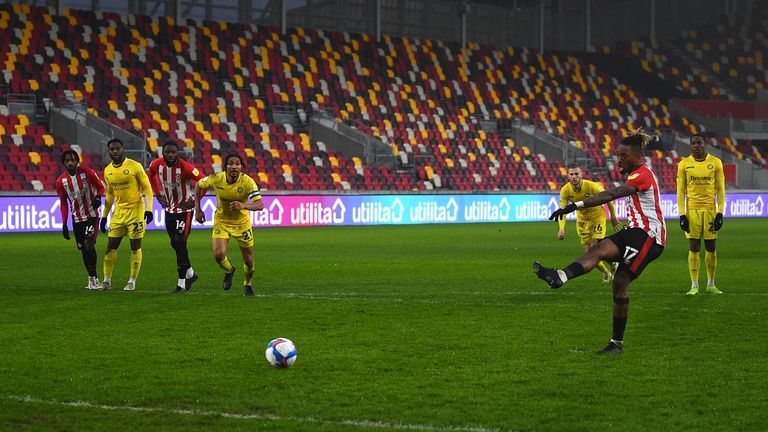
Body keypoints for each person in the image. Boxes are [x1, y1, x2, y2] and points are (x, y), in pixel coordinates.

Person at [534, 130, 666, 355]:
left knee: (620, 281)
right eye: (617, 155)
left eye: (623, 155)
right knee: (598, 250)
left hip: (649, 236)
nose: (619, 160)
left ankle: (616, 344)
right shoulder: (634, 175)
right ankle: (560, 276)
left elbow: (612, 194)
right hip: (633, 231)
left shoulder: (642, 174)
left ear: (636, 157)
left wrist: (574, 206)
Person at [194, 153, 264, 297]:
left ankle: (247, 284)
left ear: (241, 167)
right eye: (231, 164)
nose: (234, 166)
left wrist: (244, 205)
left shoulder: (248, 182)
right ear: (225, 167)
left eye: (237, 164)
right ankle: (230, 270)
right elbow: (198, 184)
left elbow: (260, 204)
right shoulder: (216, 178)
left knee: (249, 261)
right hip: (222, 221)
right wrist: (198, 209)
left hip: (242, 224)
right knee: (218, 255)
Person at [147, 141, 205, 293]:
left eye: (173, 152)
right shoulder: (156, 164)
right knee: (174, 243)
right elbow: (150, 175)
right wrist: (158, 195)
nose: (171, 155)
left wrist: (194, 202)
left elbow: (204, 181)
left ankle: (181, 283)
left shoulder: (185, 167)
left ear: (177, 153)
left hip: (184, 211)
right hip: (169, 210)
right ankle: (190, 273)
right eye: (168, 152)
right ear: (163, 153)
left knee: (180, 243)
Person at [99, 138, 154, 291]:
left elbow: (148, 188)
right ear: (108, 151)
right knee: (110, 246)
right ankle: (107, 280)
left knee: (135, 246)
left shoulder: (135, 166)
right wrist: (104, 216)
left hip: (136, 211)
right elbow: (110, 194)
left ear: (122, 149)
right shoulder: (108, 170)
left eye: (117, 149)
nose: (114, 152)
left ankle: (132, 281)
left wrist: (149, 209)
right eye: (111, 150)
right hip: (118, 213)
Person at [677, 134, 725, 295]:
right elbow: (680, 191)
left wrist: (720, 212)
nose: (696, 145)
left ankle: (711, 284)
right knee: (694, 246)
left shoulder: (715, 162)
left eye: (699, 142)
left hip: (710, 210)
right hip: (692, 211)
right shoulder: (684, 164)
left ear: (705, 144)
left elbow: (721, 189)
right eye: (693, 143)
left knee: (711, 247)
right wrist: (682, 214)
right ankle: (694, 285)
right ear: (690, 146)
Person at [557, 163, 622, 283]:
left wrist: (613, 217)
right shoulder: (565, 190)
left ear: (581, 174)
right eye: (572, 174)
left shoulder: (592, 186)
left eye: (577, 174)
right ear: (568, 176)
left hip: (597, 217)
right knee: (588, 253)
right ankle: (607, 272)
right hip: (582, 220)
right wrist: (561, 228)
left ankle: (614, 263)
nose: (574, 177)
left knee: (596, 246)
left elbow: (609, 199)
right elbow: (562, 211)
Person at [56, 149, 106, 290]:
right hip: (77, 219)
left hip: (91, 215)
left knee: (89, 244)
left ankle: (94, 278)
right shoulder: (61, 181)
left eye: (73, 160)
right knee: (83, 249)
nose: (70, 163)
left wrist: (97, 198)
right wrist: (64, 223)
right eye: (67, 161)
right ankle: (91, 278)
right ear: (64, 163)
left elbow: (101, 187)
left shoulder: (87, 172)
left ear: (78, 161)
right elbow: (63, 203)